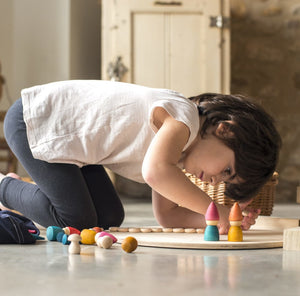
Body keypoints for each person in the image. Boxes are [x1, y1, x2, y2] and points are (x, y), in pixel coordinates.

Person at [0, 80, 281, 234]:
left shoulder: (177, 157)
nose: (218, 181)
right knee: (77, 219)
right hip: (35, 120)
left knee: (110, 217)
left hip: (75, 150)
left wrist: (220, 222)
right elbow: (155, 173)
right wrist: (214, 210)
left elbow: (168, 216)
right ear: (226, 131)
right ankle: (6, 188)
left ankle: (25, 191)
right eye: (227, 171)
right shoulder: (184, 120)